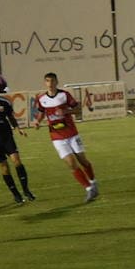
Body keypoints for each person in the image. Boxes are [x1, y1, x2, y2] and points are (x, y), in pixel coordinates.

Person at [34, 73, 98, 202]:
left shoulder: (64, 95)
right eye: (47, 81)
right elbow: (41, 112)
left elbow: (78, 109)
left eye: (52, 81)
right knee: (71, 163)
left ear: (57, 82)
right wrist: (37, 121)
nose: (50, 83)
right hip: (56, 136)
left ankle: (93, 181)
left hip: (72, 133)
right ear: (44, 83)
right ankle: (88, 189)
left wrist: (66, 111)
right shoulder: (41, 99)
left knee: (82, 160)